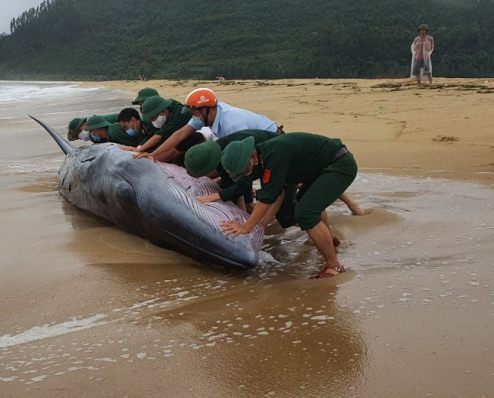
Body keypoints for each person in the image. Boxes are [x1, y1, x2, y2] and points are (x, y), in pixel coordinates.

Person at [219, 133, 358, 279]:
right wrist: (261, 226)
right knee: (305, 204)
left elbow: (267, 199)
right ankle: (329, 238)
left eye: (245, 171)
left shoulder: (274, 156)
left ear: (253, 157)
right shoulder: (265, 158)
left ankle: (334, 266)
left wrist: (246, 227)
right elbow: (277, 194)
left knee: (305, 213)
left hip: (339, 165)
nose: (245, 176)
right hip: (320, 169)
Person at [147, 88, 281, 163]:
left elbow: (245, 154)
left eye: (194, 113)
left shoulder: (231, 123)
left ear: (205, 110)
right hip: (251, 142)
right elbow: (180, 134)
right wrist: (153, 154)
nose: (193, 117)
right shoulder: (205, 115)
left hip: (272, 141)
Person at [125, 95, 200, 160]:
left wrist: (143, 150)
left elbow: (163, 135)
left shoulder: (180, 115)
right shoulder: (167, 109)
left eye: (153, 118)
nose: (152, 121)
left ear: (162, 111)